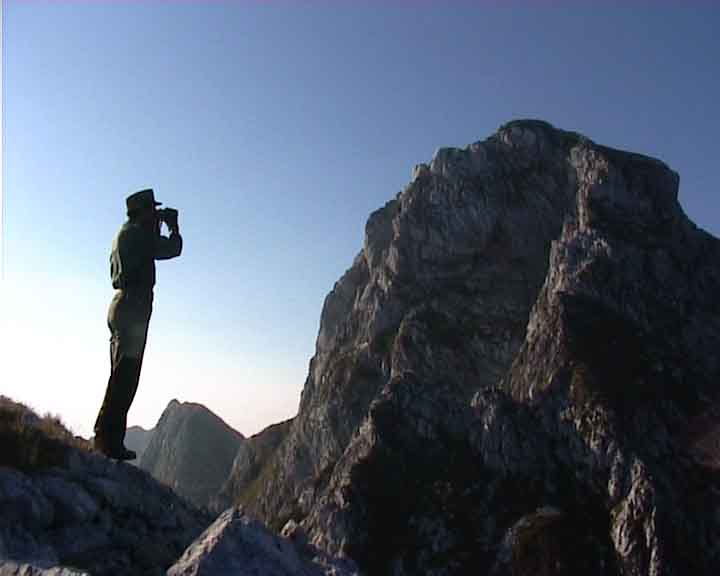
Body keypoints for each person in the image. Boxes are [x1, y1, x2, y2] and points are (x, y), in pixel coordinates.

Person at [93, 188, 182, 460]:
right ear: (141, 212)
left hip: (121, 306)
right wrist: (173, 227)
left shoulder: (125, 234)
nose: (155, 214)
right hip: (133, 308)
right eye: (151, 210)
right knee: (125, 377)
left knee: (120, 374)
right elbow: (172, 249)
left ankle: (109, 439)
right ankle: (107, 440)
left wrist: (155, 224)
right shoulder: (137, 235)